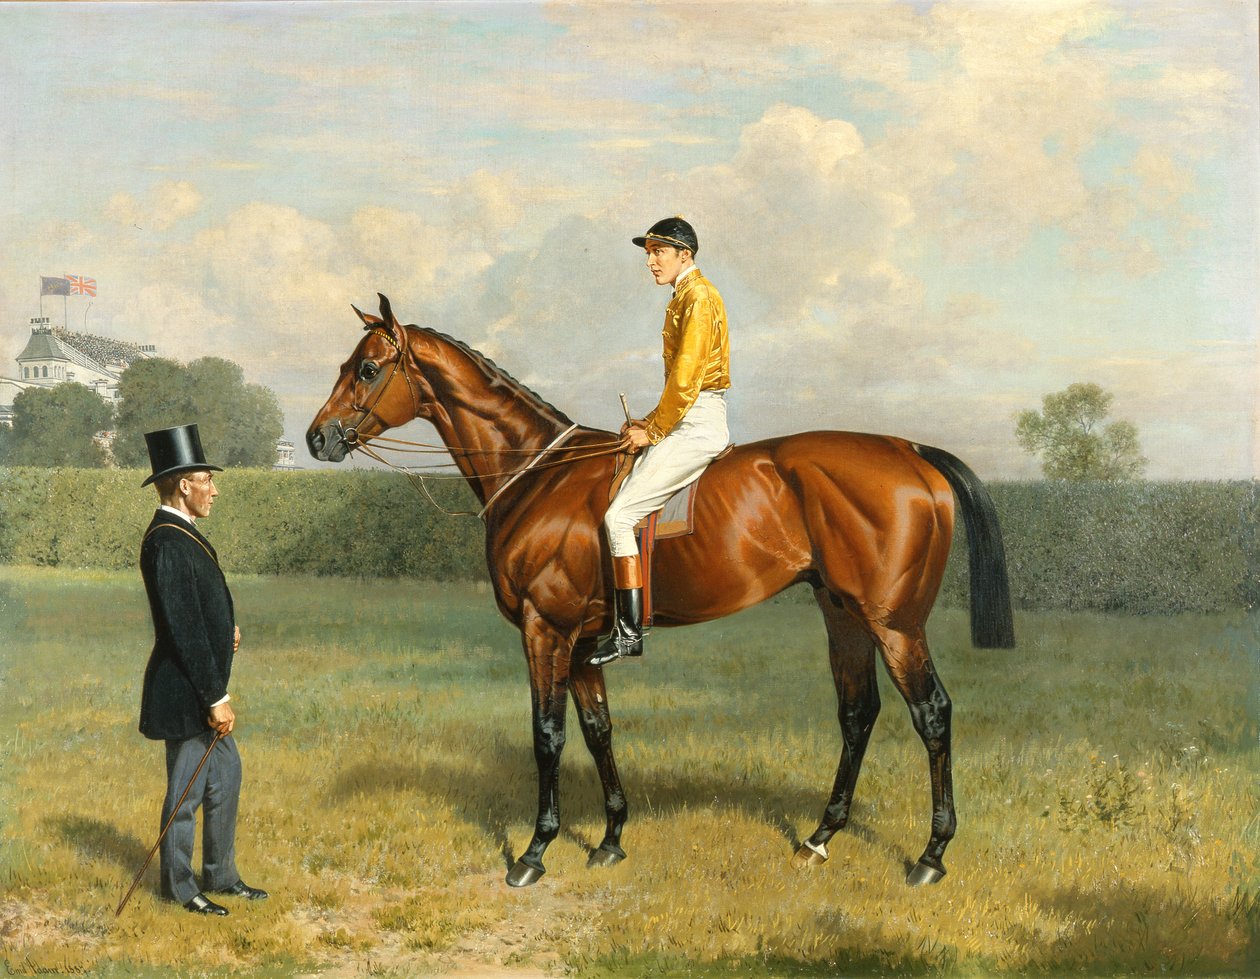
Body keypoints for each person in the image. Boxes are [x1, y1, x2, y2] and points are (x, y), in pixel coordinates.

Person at [588, 216, 731, 668]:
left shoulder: (699, 297)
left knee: (618, 517)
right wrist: (647, 422)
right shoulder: (683, 295)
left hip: (699, 424)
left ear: (685, 255)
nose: (651, 262)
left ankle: (628, 634)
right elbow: (678, 388)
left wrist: (652, 432)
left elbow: (687, 381)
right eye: (648, 253)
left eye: (659, 252)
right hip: (686, 415)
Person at [137, 424, 267, 916]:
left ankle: (221, 875)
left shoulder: (182, 533)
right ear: (184, 485)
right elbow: (182, 627)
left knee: (226, 777)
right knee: (185, 795)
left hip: (199, 684)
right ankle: (179, 887)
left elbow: (196, 611)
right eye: (208, 480)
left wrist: (224, 629)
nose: (215, 490)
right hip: (187, 692)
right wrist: (216, 698)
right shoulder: (167, 541)